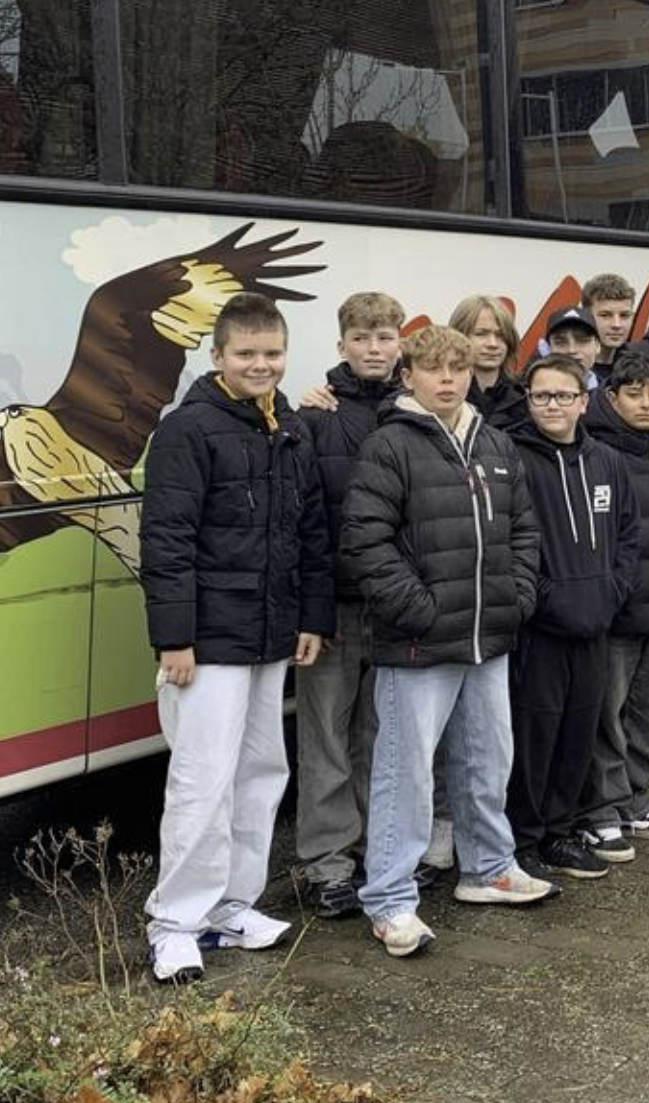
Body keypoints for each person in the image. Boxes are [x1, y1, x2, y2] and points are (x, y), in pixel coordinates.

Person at [139, 291, 334, 983]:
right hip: (208, 643)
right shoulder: (187, 431)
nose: (262, 365)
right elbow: (166, 540)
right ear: (217, 356)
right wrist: (175, 640)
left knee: (260, 775)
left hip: (271, 635)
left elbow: (311, 533)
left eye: (273, 353)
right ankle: (176, 923)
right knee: (202, 781)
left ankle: (231, 906)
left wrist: (312, 618)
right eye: (247, 354)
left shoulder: (289, 429)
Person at [343, 325, 553, 959]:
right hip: (418, 642)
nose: (447, 379)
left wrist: (518, 597)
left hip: (488, 636)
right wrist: (420, 610)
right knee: (403, 775)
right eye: (432, 368)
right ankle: (387, 898)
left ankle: (488, 868)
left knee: (488, 760)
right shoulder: (389, 446)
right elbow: (365, 542)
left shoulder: (492, 442)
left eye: (457, 368)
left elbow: (522, 529)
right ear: (408, 376)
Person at [507, 355, 639, 882]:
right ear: (529, 400)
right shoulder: (514, 458)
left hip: (596, 624)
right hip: (539, 630)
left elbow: (628, 537)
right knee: (533, 738)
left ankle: (562, 831)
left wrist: (612, 593)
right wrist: (543, 599)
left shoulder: (606, 461)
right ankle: (524, 839)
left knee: (580, 732)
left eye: (564, 395)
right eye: (542, 396)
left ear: (584, 402)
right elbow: (507, 544)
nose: (553, 405)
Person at [295, 291, 405, 920]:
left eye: (384, 337)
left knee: (381, 737)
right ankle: (328, 863)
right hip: (334, 606)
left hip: (392, 605)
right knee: (326, 739)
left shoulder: (414, 413)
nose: (372, 348)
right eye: (361, 338)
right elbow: (306, 523)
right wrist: (310, 611)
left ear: (399, 343)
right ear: (341, 346)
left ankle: (373, 850)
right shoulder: (314, 417)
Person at [580, 352, 649, 850]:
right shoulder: (598, 454)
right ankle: (601, 806)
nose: (646, 404)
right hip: (618, 614)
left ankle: (633, 797)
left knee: (648, 713)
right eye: (634, 394)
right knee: (609, 716)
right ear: (612, 397)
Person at [452, 294, 527, 434]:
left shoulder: (525, 399)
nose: (493, 344)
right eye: (481, 334)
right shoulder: (443, 396)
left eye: (500, 335)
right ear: (458, 336)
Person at [580, 273, 637, 384]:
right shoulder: (568, 368)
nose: (617, 324)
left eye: (624, 315)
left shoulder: (640, 367)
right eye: (605, 315)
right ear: (586, 316)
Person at [543, 306, 603, 383]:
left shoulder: (610, 392)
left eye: (582, 341)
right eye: (561, 342)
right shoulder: (528, 392)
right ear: (548, 348)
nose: (572, 350)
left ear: (598, 346)